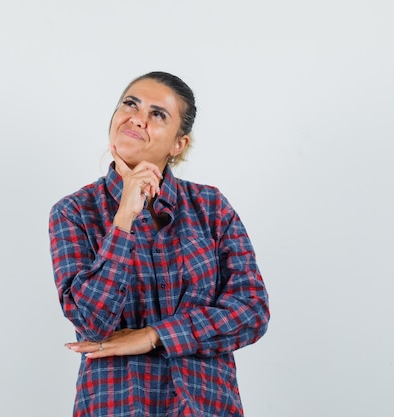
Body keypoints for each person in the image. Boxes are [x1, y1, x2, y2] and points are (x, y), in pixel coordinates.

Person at [49, 71, 269, 416]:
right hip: (118, 405)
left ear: (178, 143)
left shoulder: (210, 206)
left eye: (157, 114)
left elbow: (251, 311)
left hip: (205, 405)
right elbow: (92, 322)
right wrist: (123, 219)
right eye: (130, 104)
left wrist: (154, 335)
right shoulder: (75, 211)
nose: (137, 118)